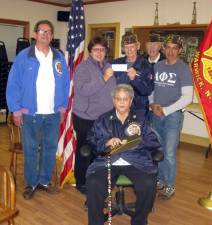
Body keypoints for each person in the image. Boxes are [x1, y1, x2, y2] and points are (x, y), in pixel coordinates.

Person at [6, 20, 69, 200]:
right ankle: (31, 183)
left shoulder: (58, 57)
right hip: (30, 112)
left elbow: (65, 83)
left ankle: (43, 181)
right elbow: (13, 84)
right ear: (35, 34)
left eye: (49, 32)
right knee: (31, 148)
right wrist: (16, 110)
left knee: (49, 148)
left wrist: (63, 107)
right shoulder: (24, 56)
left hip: (53, 113)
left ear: (51, 35)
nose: (45, 35)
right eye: (42, 31)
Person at [86, 84, 161, 225]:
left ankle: (139, 221)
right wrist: (107, 142)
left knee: (148, 184)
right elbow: (91, 141)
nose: (121, 102)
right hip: (108, 160)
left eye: (125, 99)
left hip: (135, 161)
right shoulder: (103, 119)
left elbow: (153, 141)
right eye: (118, 99)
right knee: (93, 182)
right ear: (113, 100)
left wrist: (135, 142)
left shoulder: (140, 119)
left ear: (131, 101)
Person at [149, 34, 194, 200]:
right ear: (164, 48)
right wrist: (152, 104)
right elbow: (152, 90)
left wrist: (166, 111)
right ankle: (160, 180)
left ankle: (170, 185)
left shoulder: (183, 69)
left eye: (175, 48)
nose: (171, 51)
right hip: (156, 114)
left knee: (169, 153)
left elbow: (187, 97)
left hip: (172, 117)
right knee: (158, 150)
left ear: (180, 50)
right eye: (168, 47)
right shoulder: (158, 66)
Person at [72, 36, 116, 194]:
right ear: (90, 51)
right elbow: (83, 90)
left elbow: (113, 90)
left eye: (102, 49)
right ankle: (81, 182)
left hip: (104, 119)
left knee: (100, 151)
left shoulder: (108, 66)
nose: (99, 52)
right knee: (85, 151)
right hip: (85, 117)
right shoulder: (83, 68)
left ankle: (95, 180)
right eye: (96, 49)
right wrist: (104, 78)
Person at [112, 32, 154, 119]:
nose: (129, 50)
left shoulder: (146, 65)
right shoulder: (116, 63)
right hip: (119, 109)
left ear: (137, 46)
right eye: (126, 47)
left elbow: (148, 90)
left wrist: (135, 79)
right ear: (123, 48)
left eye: (132, 46)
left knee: (136, 133)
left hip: (138, 111)